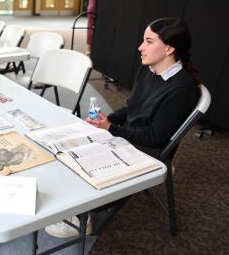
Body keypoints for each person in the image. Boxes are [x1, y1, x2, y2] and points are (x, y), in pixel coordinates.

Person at [45, 17, 200, 238]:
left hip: (146, 149)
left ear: (169, 48)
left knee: (81, 162)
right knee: (66, 146)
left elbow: (155, 138)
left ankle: (82, 214)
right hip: (129, 137)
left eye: (148, 41)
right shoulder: (149, 70)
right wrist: (106, 121)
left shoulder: (181, 89)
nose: (140, 47)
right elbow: (132, 109)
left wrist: (110, 128)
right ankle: (78, 204)